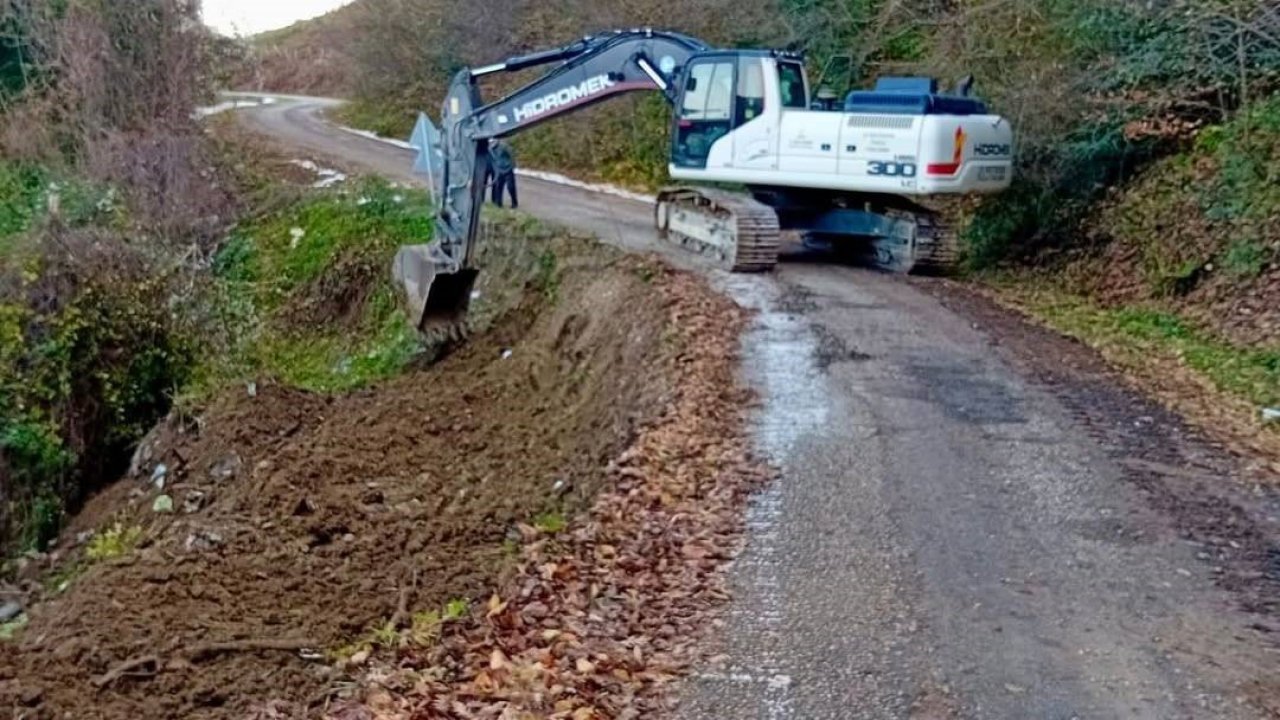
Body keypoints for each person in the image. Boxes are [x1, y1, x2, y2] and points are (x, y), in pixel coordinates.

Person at [489, 139, 518, 209]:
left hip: (508, 169)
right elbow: (492, 159)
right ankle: (499, 204)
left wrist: (513, 165)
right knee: (498, 187)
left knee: (510, 187)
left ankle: (514, 203)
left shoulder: (503, 146)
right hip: (499, 170)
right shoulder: (490, 149)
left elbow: (511, 154)